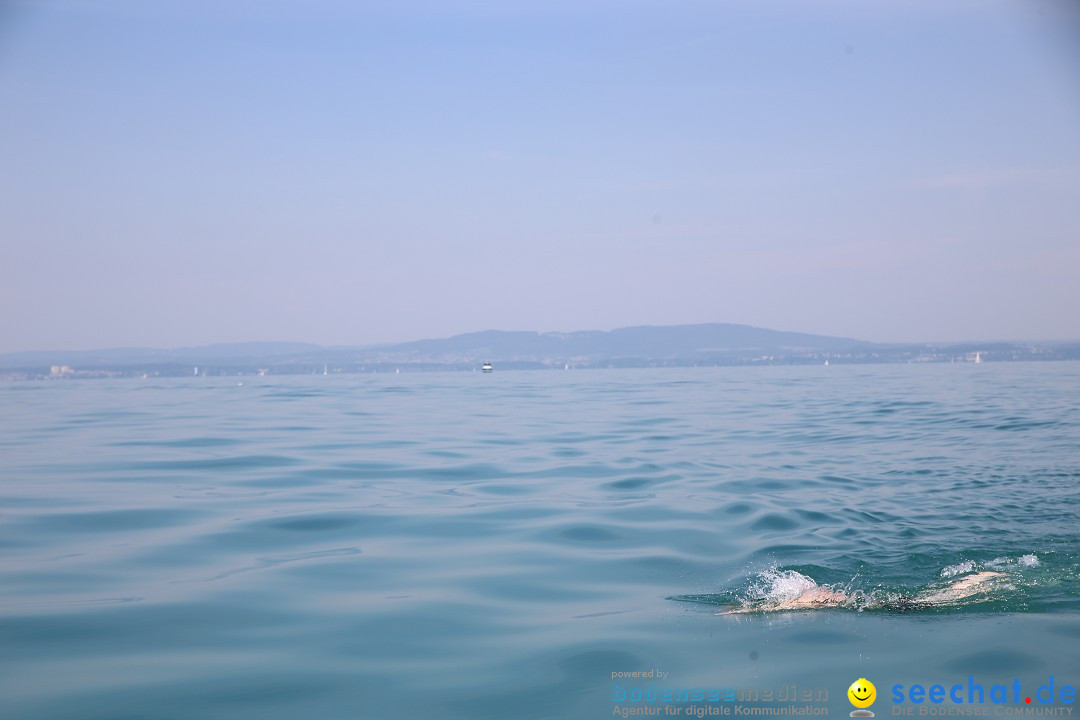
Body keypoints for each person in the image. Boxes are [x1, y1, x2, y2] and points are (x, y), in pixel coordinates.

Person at [719, 571, 1005, 614]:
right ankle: (973, 580)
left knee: (934, 601)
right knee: (936, 597)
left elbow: (770, 609)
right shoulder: (799, 597)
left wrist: (742, 611)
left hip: (873, 603)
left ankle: (973, 581)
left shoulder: (796, 602)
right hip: (867, 601)